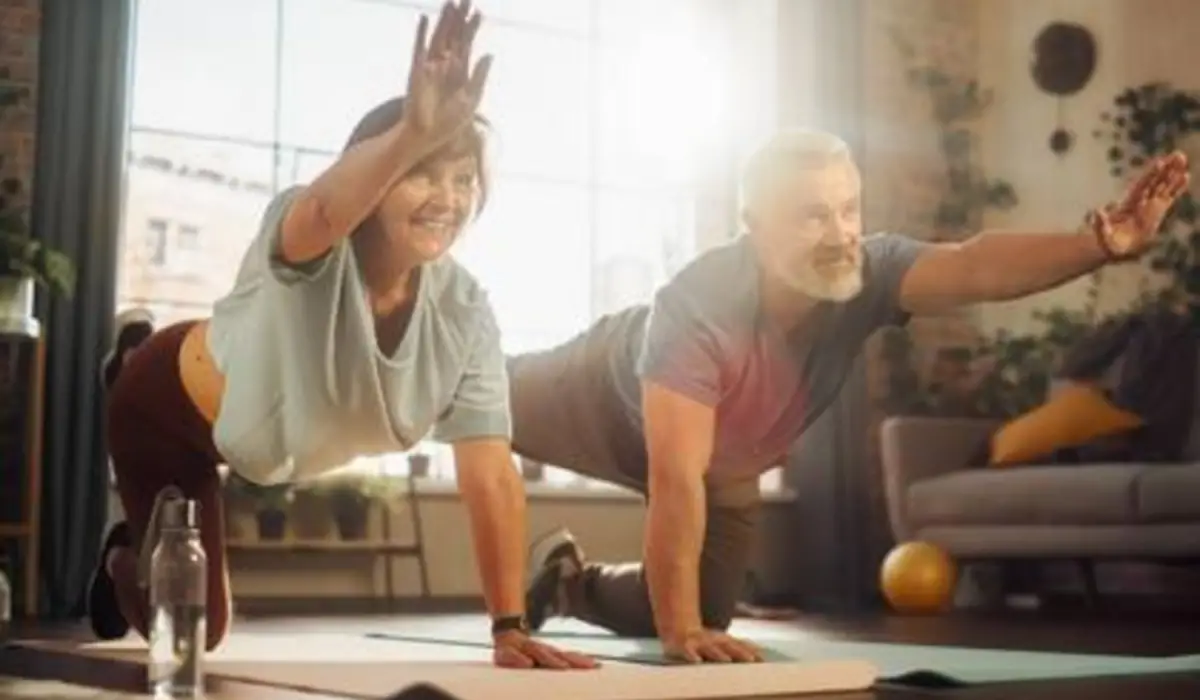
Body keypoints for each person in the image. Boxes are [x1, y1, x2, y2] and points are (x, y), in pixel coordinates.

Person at [509, 128, 1190, 664]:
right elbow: (675, 480)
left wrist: (1097, 244)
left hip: (726, 462)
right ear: (753, 222)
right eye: (811, 215)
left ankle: (570, 583)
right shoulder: (699, 307)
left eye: (847, 209)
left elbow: (972, 263)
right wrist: (675, 632)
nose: (838, 234)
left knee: (709, 615)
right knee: (460, 392)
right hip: (596, 394)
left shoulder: (867, 271)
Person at [88, 0, 595, 671]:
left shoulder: (466, 312)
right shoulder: (311, 242)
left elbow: (490, 471)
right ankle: (125, 549)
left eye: (464, 179)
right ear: (377, 173)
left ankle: (142, 542)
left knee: (201, 628)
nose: (448, 197)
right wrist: (411, 134)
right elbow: (328, 209)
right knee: (193, 635)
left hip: (250, 438)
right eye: (422, 172)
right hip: (164, 404)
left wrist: (508, 625)